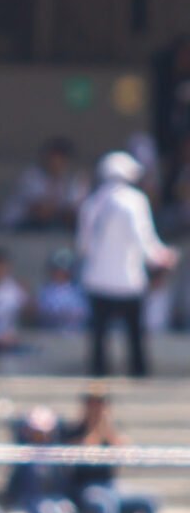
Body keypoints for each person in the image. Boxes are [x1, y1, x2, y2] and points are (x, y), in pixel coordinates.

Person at [77, 151, 180, 377]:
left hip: (96, 280)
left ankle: (98, 373)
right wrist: (161, 256)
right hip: (128, 281)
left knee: (99, 334)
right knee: (134, 333)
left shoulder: (91, 203)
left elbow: (83, 246)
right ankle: (138, 372)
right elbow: (143, 237)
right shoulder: (135, 200)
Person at [64, 387, 162, 513]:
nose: (97, 409)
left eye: (101, 404)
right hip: (86, 487)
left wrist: (107, 430)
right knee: (105, 503)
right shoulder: (75, 430)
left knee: (149, 500)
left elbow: (125, 452)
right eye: (93, 404)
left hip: (111, 485)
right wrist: (94, 430)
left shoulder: (111, 430)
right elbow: (84, 453)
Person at [5, 406, 77, 513]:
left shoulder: (57, 454)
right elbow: (18, 484)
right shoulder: (24, 453)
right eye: (37, 433)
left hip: (55, 498)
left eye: (45, 433)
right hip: (31, 499)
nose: (42, 437)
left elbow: (62, 484)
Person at [0, 137, 89, 232]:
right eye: (56, 157)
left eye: (63, 158)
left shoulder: (67, 180)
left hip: (40, 230)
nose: (59, 162)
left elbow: (72, 215)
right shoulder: (31, 176)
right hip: (14, 227)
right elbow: (42, 213)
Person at [36, 249, 90, 332]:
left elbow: (84, 313)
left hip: (75, 334)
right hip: (50, 334)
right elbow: (41, 312)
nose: (60, 273)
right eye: (57, 269)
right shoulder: (45, 291)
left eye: (63, 270)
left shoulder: (79, 291)